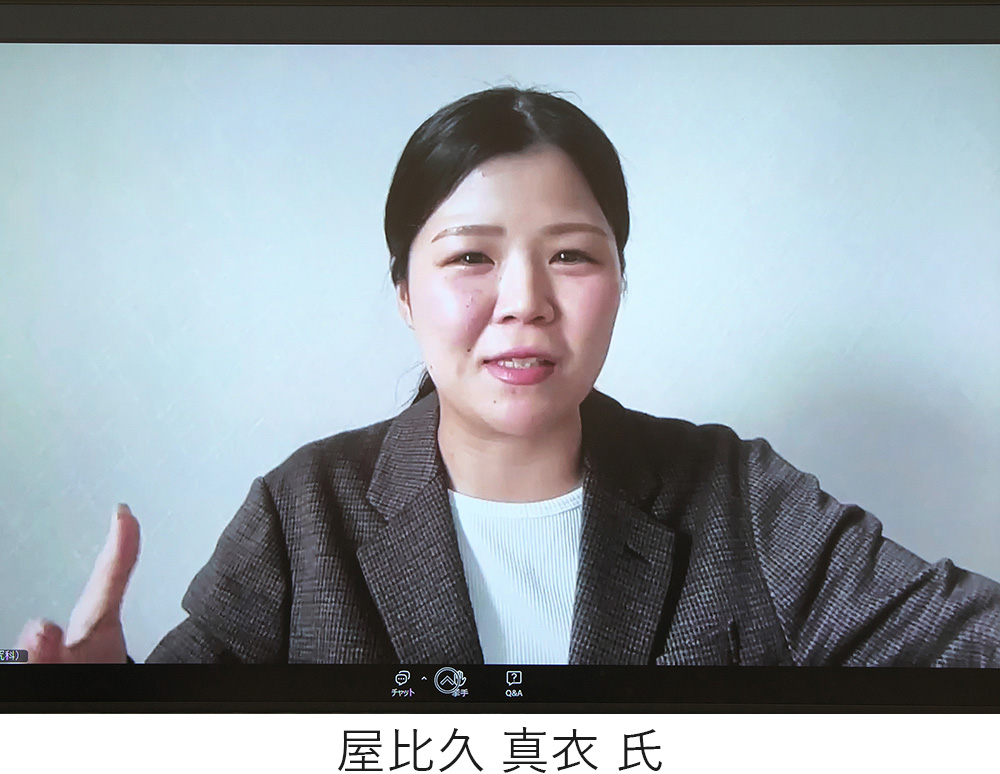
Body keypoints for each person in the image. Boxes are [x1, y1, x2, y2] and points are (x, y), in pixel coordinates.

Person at [18, 87, 1000, 666]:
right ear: (405, 293)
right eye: (471, 258)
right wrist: (105, 725)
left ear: (620, 281)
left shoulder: (738, 497)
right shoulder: (303, 513)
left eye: (570, 255)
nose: (525, 300)